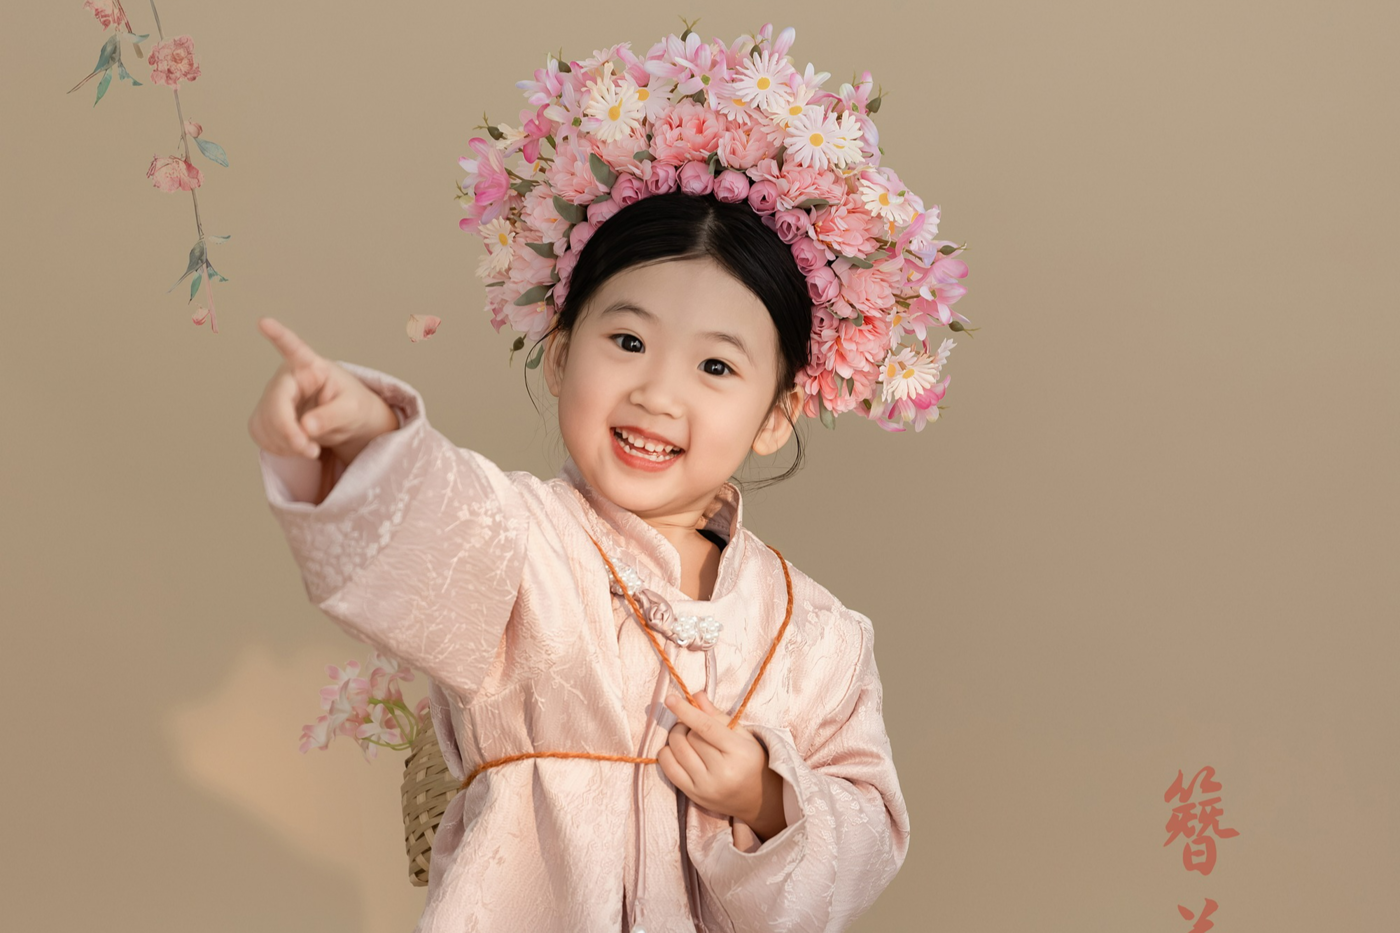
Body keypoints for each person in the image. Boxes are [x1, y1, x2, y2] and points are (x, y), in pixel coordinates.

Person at [250, 23, 971, 932]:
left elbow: (866, 829)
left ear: (775, 413)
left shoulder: (819, 636)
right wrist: (365, 440)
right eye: (627, 340)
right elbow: (438, 519)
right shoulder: (524, 548)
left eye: (716, 366)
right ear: (559, 354)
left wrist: (765, 796)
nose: (657, 393)